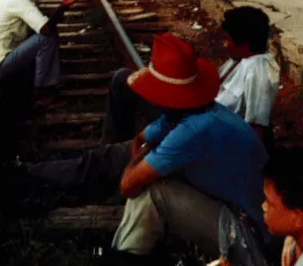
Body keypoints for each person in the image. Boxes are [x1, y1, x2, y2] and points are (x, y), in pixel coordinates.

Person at [24, 5, 280, 196]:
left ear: (244, 44)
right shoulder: (240, 62)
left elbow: (257, 129)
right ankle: (107, 156)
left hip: (203, 134)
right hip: (193, 116)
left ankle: (29, 174)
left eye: (228, 40)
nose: (224, 44)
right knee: (123, 81)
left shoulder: (258, 72)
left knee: (107, 159)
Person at [107, 33, 268, 263]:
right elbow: (139, 139)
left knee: (153, 192)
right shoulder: (190, 110)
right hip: (229, 209)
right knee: (151, 181)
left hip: (248, 237)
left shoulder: (194, 129)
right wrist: (143, 160)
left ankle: (125, 259)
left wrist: (140, 163)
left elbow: (127, 185)